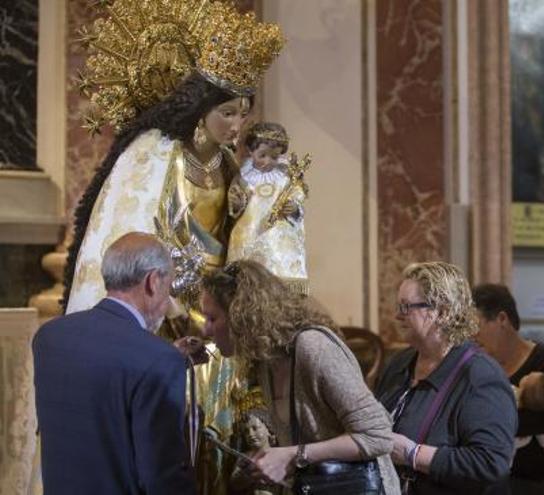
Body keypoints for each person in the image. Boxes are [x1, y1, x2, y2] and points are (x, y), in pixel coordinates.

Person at [62, 6, 285, 493]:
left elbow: (239, 245)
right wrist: (170, 305)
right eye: (227, 112)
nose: (237, 124)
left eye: (245, 112)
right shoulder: (154, 155)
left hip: (222, 320)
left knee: (228, 439)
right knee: (172, 441)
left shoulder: (230, 168)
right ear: (198, 109)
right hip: (166, 321)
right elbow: (132, 233)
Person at [200, 260, 399, 493]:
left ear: (241, 316)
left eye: (212, 319)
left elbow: (378, 436)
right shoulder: (266, 361)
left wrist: (293, 455)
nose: (205, 329)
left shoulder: (312, 347)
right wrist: (270, 461)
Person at [33, 232, 195, 494]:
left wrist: (161, 359)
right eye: (170, 287)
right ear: (153, 281)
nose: (169, 302)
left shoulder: (50, 338)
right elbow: (161, 475)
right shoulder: (159, 360)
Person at [375, 262, 517, 494]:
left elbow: (491, 463)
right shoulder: (400, 363)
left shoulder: (480, 376)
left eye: (405, 307)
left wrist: (413, 454)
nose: (397, 315)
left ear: (441, 312)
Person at [472, 283, 544, 493]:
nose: (472, 334)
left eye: (476, 325)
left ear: (502, 319)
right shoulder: (479, 365)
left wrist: (495, 426)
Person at [226, 122, 309, 287]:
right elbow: (235, 201)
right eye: (262, 155)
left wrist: (294, 208)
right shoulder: (244, 176)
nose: (268, 161)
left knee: (278, 284)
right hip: (250, 234)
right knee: (249, 279)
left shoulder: (286, 175)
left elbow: (297, 195)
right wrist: (236, 203)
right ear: (251, 151)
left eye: (274, 157)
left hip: (278, 238)